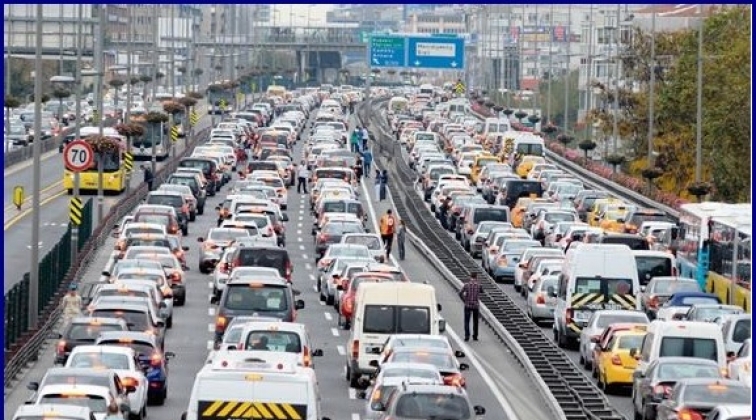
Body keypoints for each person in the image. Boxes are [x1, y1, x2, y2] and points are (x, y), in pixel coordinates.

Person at [459, 273, 483, 342]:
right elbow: (482, 291)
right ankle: (475, 336)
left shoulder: (466, 285)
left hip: (467, 305)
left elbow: (460, 293)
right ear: (476, 277)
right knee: (475, 321)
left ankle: (467, 336)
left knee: (467, 321)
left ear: (470, 277)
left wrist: (464, 300)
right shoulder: (479, 285)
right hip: (476, 306)